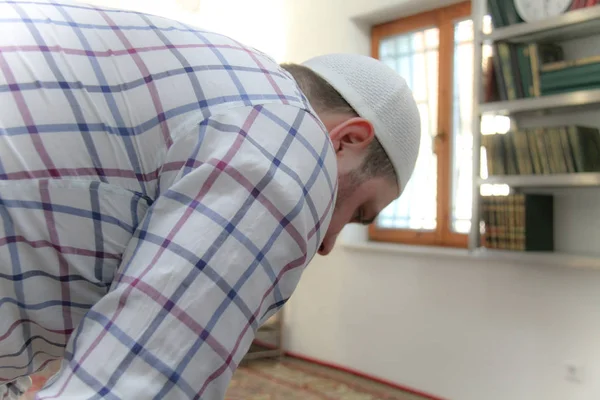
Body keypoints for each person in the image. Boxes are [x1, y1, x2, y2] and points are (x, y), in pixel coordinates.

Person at [0, 0, 421, 398]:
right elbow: (132, 387)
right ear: (347, 140)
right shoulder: (292, 139)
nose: (329, 245)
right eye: (358, 212)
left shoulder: (224, 82)